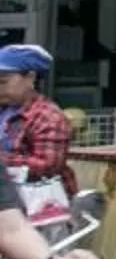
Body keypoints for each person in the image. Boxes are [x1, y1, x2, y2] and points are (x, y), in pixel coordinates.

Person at [0, 45, 76, 202]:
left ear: (31, 77)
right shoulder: (3, 110)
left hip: (41, 204)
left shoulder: (47, 116)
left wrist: (4, 160)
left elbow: (48, 166)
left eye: (3, 82)